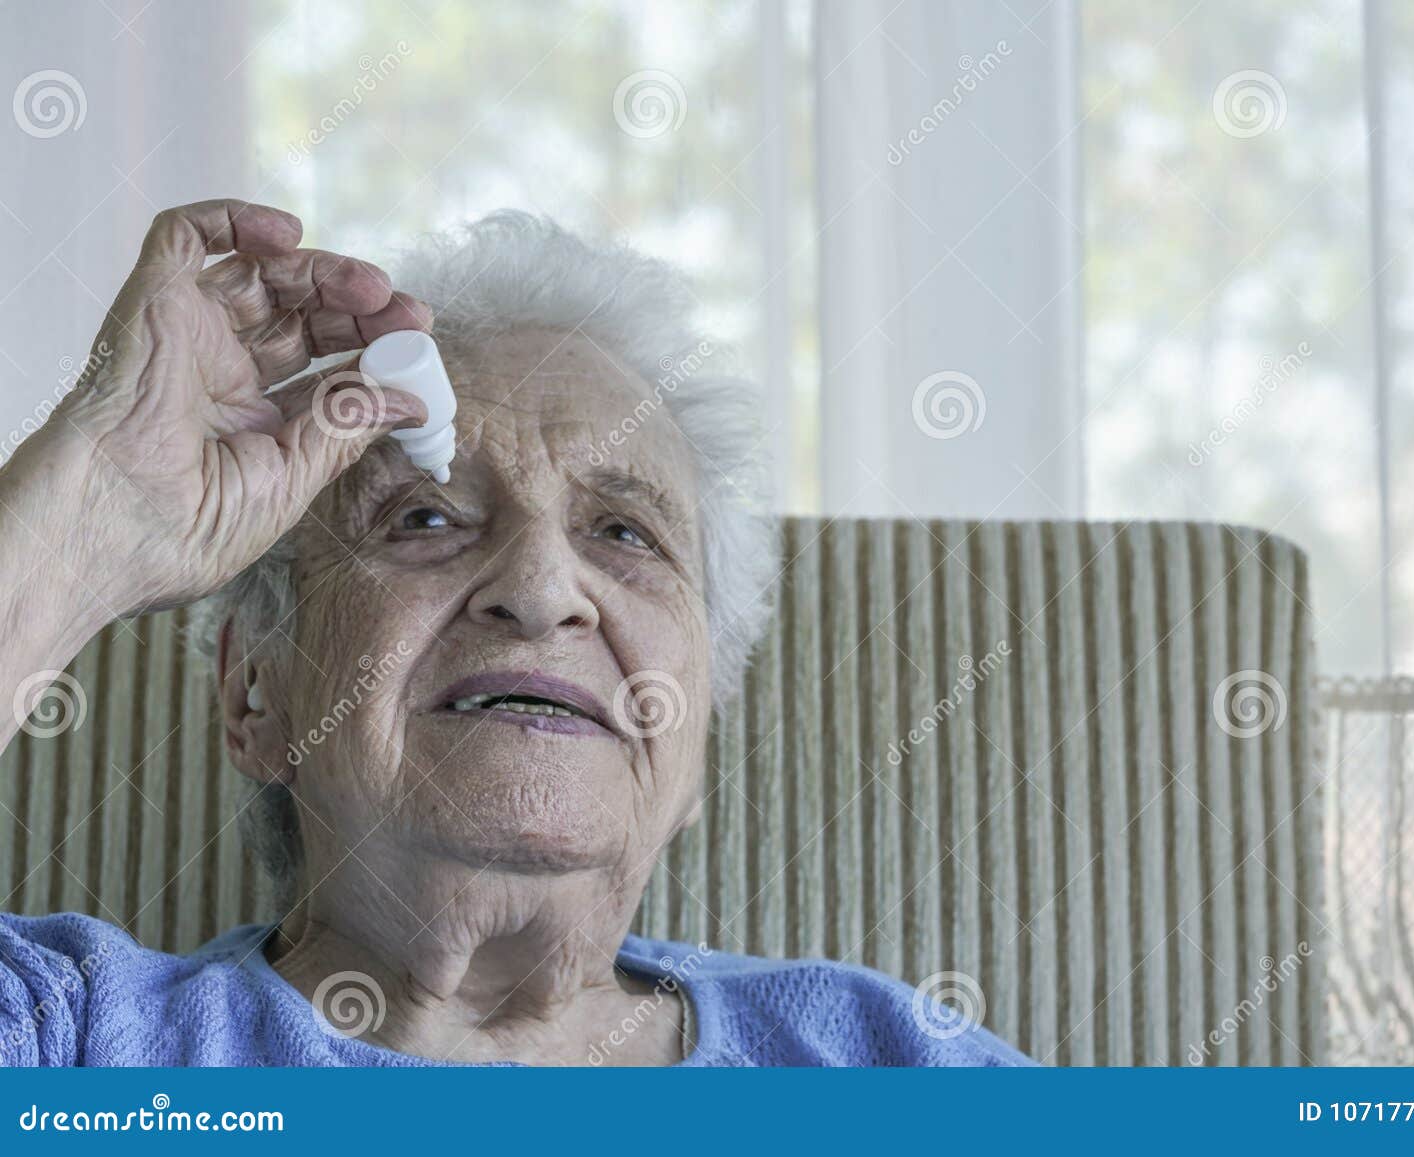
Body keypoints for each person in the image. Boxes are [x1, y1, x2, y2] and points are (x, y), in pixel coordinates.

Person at [0, 200, 1031, 1067]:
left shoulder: (891, 1059)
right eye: (427, 518)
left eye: (625, 532)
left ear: (695, 727)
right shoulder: (80, 1042)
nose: (541, 589)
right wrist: (83, 527)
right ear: (254, 694)